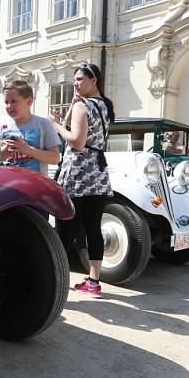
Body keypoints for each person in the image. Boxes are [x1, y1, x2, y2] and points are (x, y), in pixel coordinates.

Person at [49, 63, 114, 299]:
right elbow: (76, 127)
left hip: (78, 173)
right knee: (93, 228)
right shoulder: (105, 105)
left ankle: (54, 279)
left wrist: (55, 125)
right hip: (98, 172)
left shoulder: (83, 106)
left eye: (79, 79)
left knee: (65, 228)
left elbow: (75, 140)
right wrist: (70, 109)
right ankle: (94, 282)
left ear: (93, 79)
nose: (75, 83)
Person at [0, 80, 60, 175]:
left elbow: (55, 158)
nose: (9, 106)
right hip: (7, 185)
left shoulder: (43, 124)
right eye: (6, 102)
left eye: (13, 101)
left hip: (35, 185)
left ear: (29, 101)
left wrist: (28, 150)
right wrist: (0, 155)